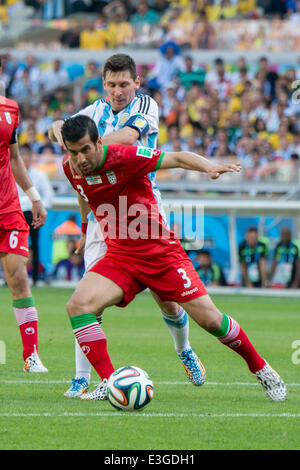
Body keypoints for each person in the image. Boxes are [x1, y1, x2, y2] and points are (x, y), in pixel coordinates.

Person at [60, 115, 286, 403]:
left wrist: (210, 167)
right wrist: (83, 227)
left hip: (160, 253)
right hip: (120, 256)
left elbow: (177, 157)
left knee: (212, 320)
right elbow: (83, 193)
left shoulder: (125, 156)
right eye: (73, 152)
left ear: (99, 142)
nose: (80, 158)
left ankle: (261, 368)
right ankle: (110, 381)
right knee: (77, 306)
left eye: (85, 150)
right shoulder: (71, 167)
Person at [49, 53, 203, 399]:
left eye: (124, 84)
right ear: (103, 85)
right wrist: (60, 128)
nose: (118, 91)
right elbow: (60, 132)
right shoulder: (93, 111)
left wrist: (87, 145)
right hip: (103, 213)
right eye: (111, 85)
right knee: (88, 298)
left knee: (166, 298)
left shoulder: (146, 106)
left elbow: (129, 137)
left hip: (141, 210)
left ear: (137, 83)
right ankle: (82, 377)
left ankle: (184, 351)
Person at [0, 62, 48, 372]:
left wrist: (34, 198)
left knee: (19, 277)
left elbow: (15, 158)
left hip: (8, 208)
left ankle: (31, 356)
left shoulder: (10, 110)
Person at [17, 144, 54, 285]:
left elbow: (49, 195)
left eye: (26, 158)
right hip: (17, 213)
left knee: (35, 243)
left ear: (30, 159)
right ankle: (12, 276)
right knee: (14, 245)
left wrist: (39, 207)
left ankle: (35, 277)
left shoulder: (39, 175)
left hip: (33, 213)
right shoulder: (12, 174)